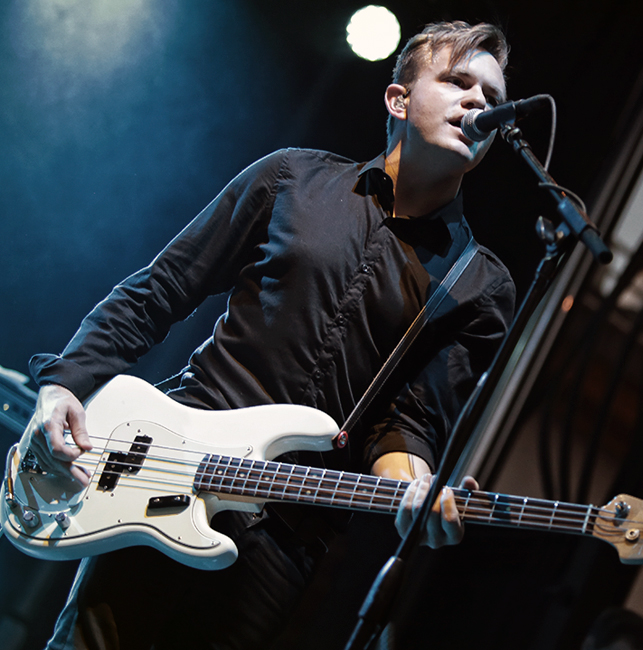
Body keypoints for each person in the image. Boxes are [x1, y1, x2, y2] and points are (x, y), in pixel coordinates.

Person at [18, 21, 516, 650]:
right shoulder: (292, 179)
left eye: (491, 98)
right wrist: (65, 383)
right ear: (398, 99)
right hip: (171, 472)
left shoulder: (479, 284)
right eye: (457, 82)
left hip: (283, 535)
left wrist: (415, 488)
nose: (477, 102)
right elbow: (162, 289)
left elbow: (408, 422)